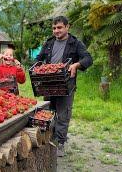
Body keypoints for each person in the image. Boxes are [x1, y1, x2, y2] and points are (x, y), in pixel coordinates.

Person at [36, 16, 93, 157]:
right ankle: (49, 138)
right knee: (49, 112)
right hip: (49, 84)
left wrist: (76, 65)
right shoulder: (49, 43)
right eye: (54, 28)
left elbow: (88, 59)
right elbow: (38, 58)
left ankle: (60, 142)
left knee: (63, 113)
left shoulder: (75, 43)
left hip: (66, 85)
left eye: (60, 27)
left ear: (67, 27)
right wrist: (38, 65)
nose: (56, 31)